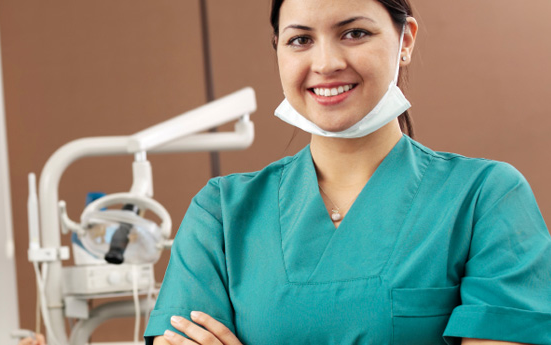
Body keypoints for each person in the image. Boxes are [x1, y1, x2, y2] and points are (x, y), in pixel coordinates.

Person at [144, 0, 551, 344]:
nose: (326, 63)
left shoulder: (485, 198)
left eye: (354, 33)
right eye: (300, 40)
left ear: (404, 40)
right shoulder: (222, 213)